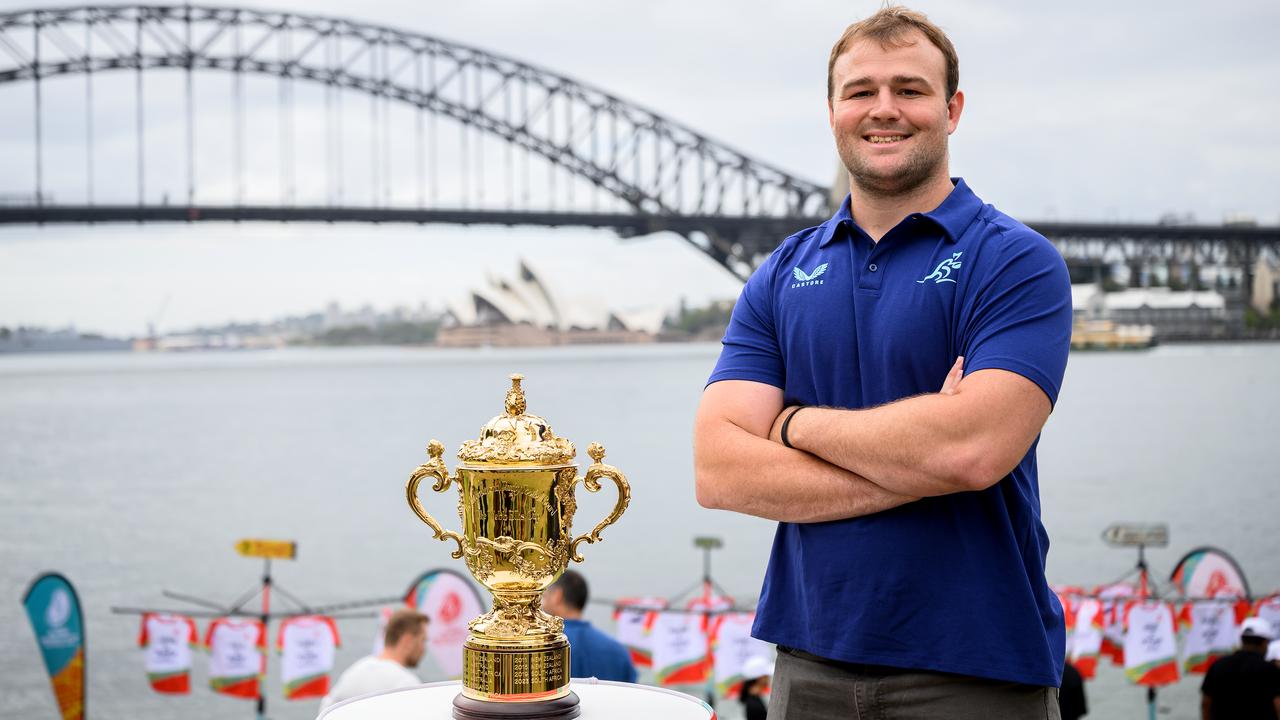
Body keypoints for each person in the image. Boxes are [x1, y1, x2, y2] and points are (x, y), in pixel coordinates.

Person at [693, 5, 1073, 718]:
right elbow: (718, 470)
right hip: (806, 665)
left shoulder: (1015, 261)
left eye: (911, 89)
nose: (885, 110)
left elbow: (973, 450)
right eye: (861, 91)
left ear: (952, 109)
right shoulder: (781, 273)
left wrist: (792, 424)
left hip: (976, 669)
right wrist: (919, 458)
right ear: (832, 110)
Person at [319, 608, 427, 712]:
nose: (424, 649)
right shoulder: (407, 684)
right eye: (423, 640)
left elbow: (326, 710)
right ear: (407, 640)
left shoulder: (356, 671)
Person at [542, 570, 637, 683]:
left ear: (557, 596)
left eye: (544, 596)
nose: (540, 604)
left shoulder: (542, 647)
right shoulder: (619, 651)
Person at [1200, 617, 1280, 719]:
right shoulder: (1269, 669)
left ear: (1242, 639)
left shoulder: (1218, 665)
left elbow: (1205, 703)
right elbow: (1277, 705)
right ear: (1264, 642)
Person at [739, 656, 773, 720]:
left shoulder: (753, 699)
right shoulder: (754, 704)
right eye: (766, 675)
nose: (769, 678)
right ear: (760, 678)